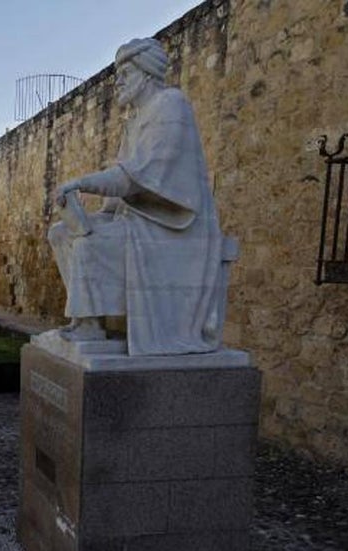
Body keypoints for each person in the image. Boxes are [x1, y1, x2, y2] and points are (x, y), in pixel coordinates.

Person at [47, 37, 227, 356]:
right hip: (141, 222)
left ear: (146, 74)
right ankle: (87, 321)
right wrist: (93, 216)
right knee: (62, 232)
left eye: (125, 74)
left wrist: (80, 182)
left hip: (173, 229)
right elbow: (121, 190)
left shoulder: (172, 105)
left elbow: (136, 176)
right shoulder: (133, 123)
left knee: (88, 243)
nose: (118, 82)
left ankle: (90, 324)